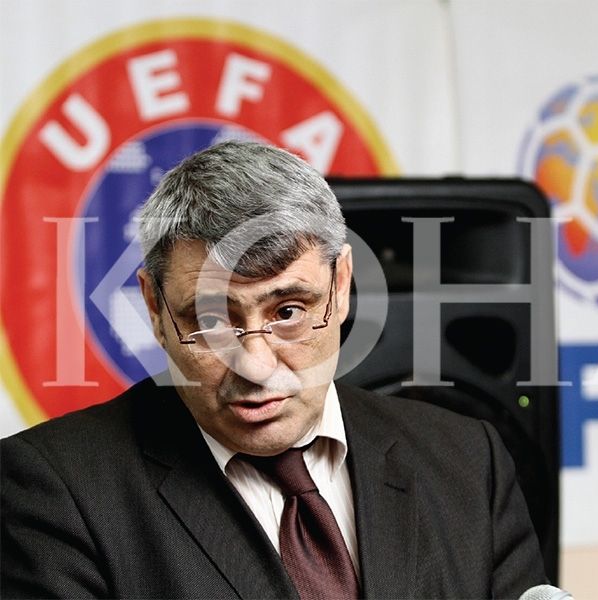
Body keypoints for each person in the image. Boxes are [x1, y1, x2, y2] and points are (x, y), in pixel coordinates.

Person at [1, 141, 547, 599]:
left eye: (288, 312)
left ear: (340, 286)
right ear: (154, 308)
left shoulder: (468, 462)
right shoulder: (52, 492)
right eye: (211, 320)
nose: (256, 365)